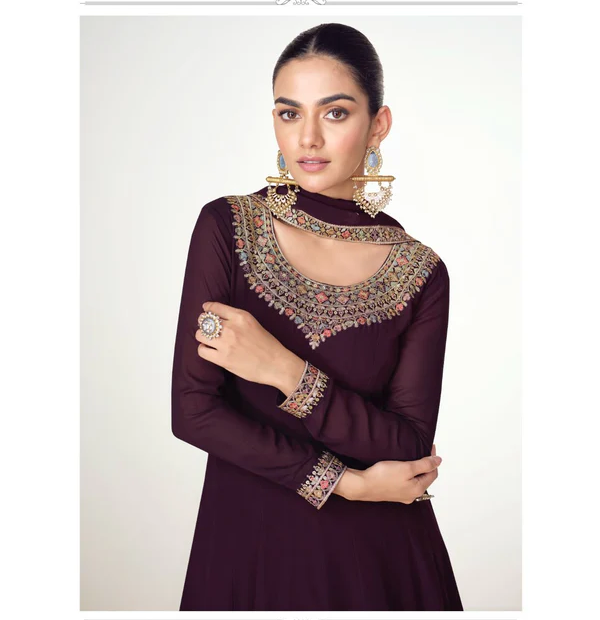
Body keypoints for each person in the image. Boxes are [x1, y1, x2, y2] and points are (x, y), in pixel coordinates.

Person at [171, 22, 463, 611]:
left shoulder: (420, 270)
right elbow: (194, 413)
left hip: (381, 557)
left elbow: (409, 443)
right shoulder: (228, 228)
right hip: (251, 543)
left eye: (335, 113)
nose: (307, 137)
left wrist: (285, 371)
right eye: (289, 113)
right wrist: (349, 483)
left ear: (378, 124)